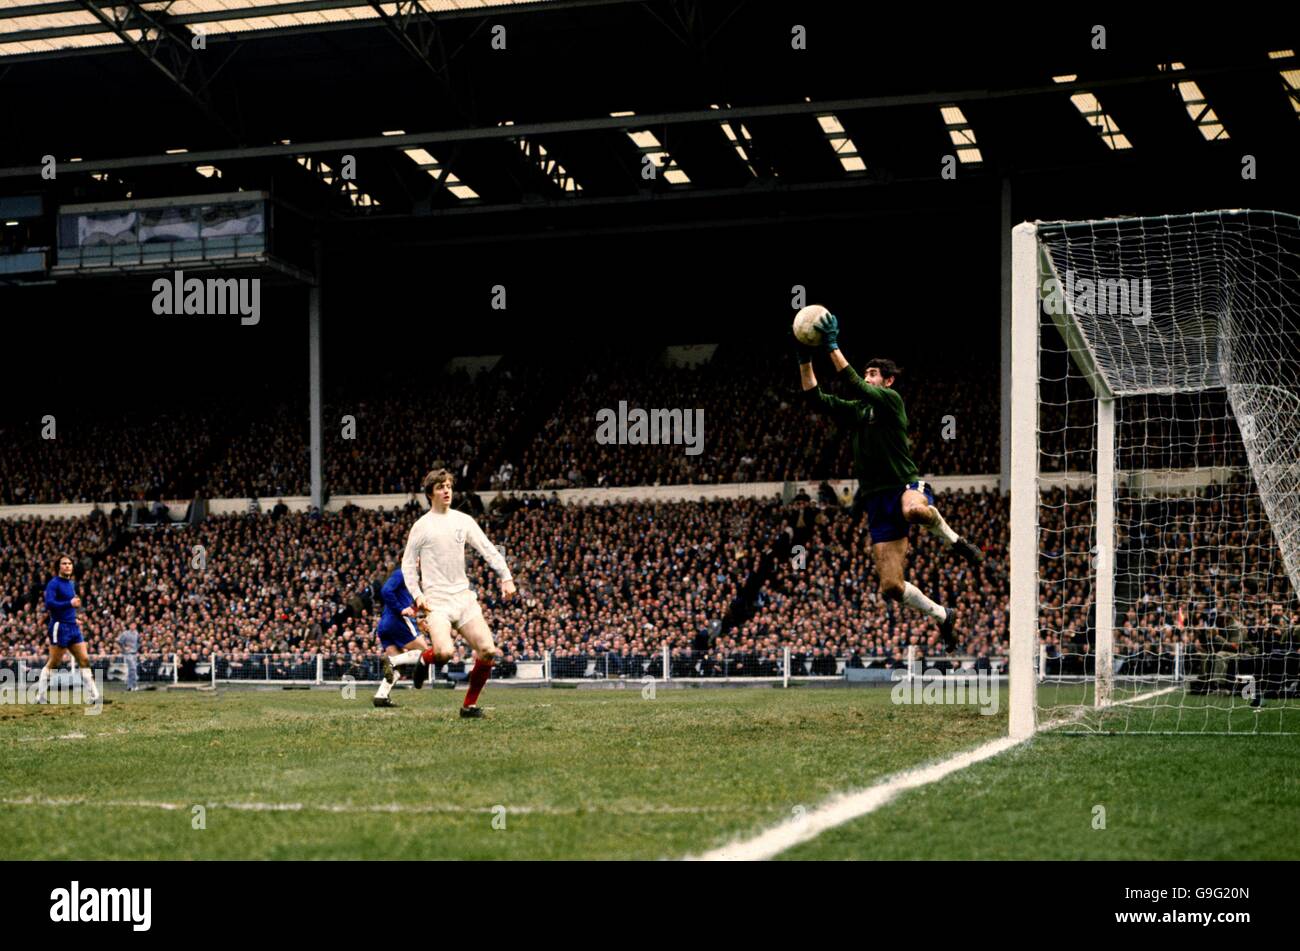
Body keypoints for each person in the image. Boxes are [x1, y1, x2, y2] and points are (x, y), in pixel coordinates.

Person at [794, 311, 983, 653]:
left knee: (915, 512)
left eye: (873, 373)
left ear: (889, 381)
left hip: (905, 486)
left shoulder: (891, 402)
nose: (867, 377)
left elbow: (853, 383)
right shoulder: (856, 410)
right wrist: (804, 358)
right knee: (891, 588)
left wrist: (832, 346)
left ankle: (956, 541)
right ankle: (943, 615)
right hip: (875, 500)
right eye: (866, 372)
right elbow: (814, 398)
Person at [402, 468, 516, 719]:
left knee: (488, 650)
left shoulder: (463, 521)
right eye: (441, 487)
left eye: (449, 486)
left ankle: (469, 706)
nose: (446, 491)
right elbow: (408, 565)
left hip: (463, 599)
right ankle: (425, 660)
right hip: (436, 603)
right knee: (444, 653)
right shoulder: (421, 526)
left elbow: (487, 548)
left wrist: (506, 576)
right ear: (430, 493)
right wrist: (417, 595)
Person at [35, 554, 106, 706]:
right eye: (64, 563)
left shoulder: (71, 583)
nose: (67, 566)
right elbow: (49, 604)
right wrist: (70, 603)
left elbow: (69, 605)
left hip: (73, 627)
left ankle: (94, 696)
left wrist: (74, 616)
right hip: (59, 627)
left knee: (85, 660)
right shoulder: (53, 583)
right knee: (54, 663)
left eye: (69, 563)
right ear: (59, 567)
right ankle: (40, 696)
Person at [371, 566, 434, 708]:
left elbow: (410, 605)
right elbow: (386, 590)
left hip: (385, 625)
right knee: (425, 652)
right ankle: (391, 661)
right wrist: (401, 609)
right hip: (396, 621)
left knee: (400, 666)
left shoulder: (412, 582)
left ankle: (381, 696)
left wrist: (419, 619)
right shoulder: (403, 573)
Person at [118, 616, 140, 691]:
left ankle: (129, 686)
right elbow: (120, 642)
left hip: (135, 653)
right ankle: (135, 685)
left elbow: (138, 643)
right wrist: (124, 648)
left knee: (132, 670)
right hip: (128, 653)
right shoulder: (125, 634)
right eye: (131, 625)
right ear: (129, 626)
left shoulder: (137, 633)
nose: (133, 626)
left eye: (134, 624)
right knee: (133, 668)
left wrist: (138, 650)